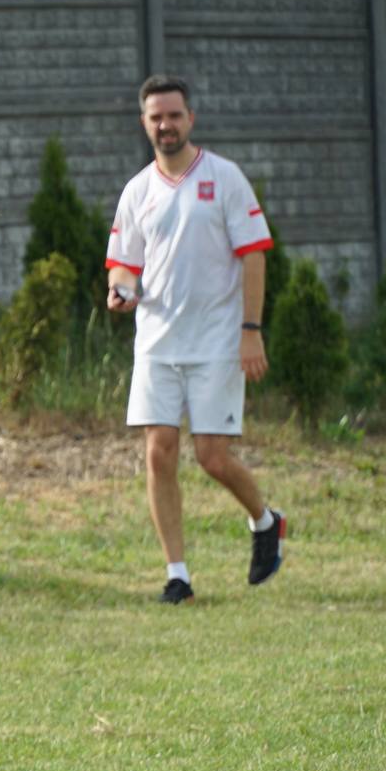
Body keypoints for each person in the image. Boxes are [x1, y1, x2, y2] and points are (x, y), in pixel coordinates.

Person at [107, 73, 283, 604]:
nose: (166, 125)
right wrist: (120, 290)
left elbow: (253, 254)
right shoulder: (137, 190)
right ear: (144, 123)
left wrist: (250, 331)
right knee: (159, 452)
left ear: (191, 119)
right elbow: (121, 265)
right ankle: (177, 576)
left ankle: (266, 521)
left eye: (174, 115)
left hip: (216, 343)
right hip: (157, 344)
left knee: (212, 458)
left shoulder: (225, 179)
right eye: (156, 117)